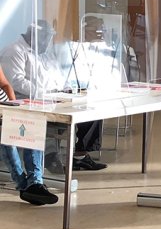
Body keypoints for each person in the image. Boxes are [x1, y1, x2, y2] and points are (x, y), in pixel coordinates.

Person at [0, 20, 107, 172]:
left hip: (55, 97)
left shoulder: (44, 52)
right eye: (46, 38)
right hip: (31, 100)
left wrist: (66, 88)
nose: (48, 42)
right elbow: (15, 82)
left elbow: (56, 73)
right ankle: (50, 159)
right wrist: (43, 93)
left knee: (92, 112)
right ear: (35, 35)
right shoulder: (14, 51)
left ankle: (80, 156)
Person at [0, 64, 57, 205]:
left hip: (4, 108)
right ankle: (24, 185)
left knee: (31, 126)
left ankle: (35, 182)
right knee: (6, 135)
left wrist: (13, 106)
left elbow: (5, 85)